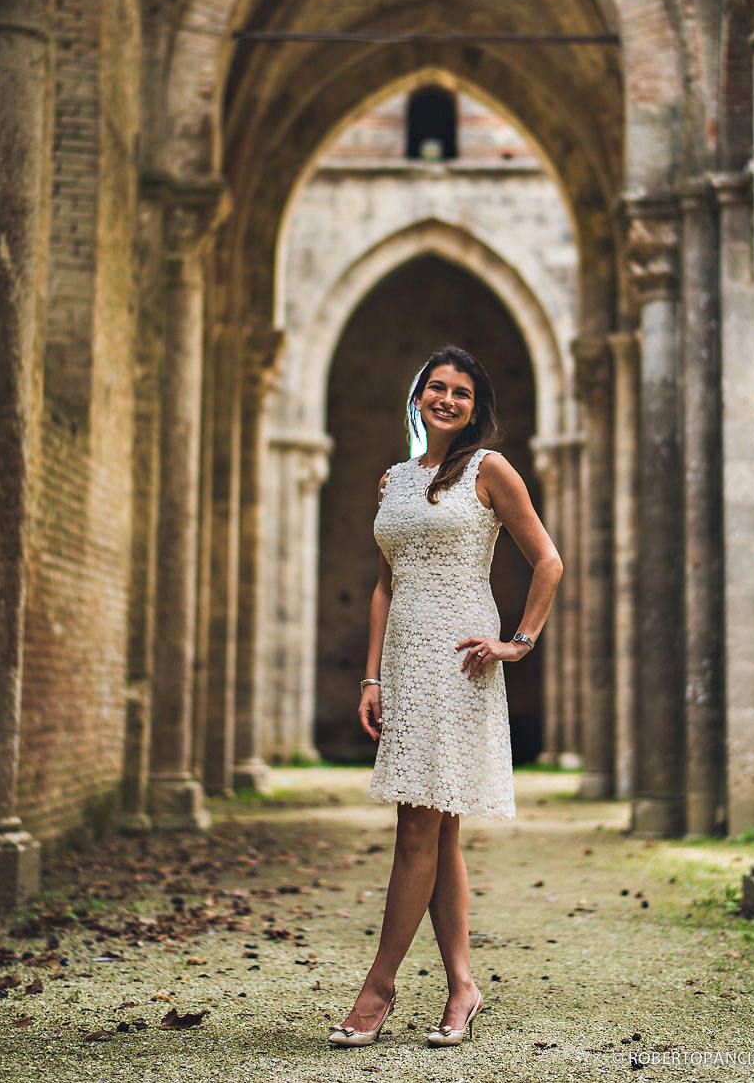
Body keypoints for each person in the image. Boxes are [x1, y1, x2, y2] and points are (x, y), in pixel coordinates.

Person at [328, 345, 563, 1049]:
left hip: (459, 664)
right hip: (405, 660)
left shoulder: (490, 470)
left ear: (475, 405)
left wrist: (518, 641)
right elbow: (384, 584)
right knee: (440, 829)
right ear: (419, 396)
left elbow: (547, 560)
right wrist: (372, 676)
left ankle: (379, 988)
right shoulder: (394, 480)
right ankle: (463, 986)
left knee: (416, 829)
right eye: (438, 387)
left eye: (462, 391)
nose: (448, 399)